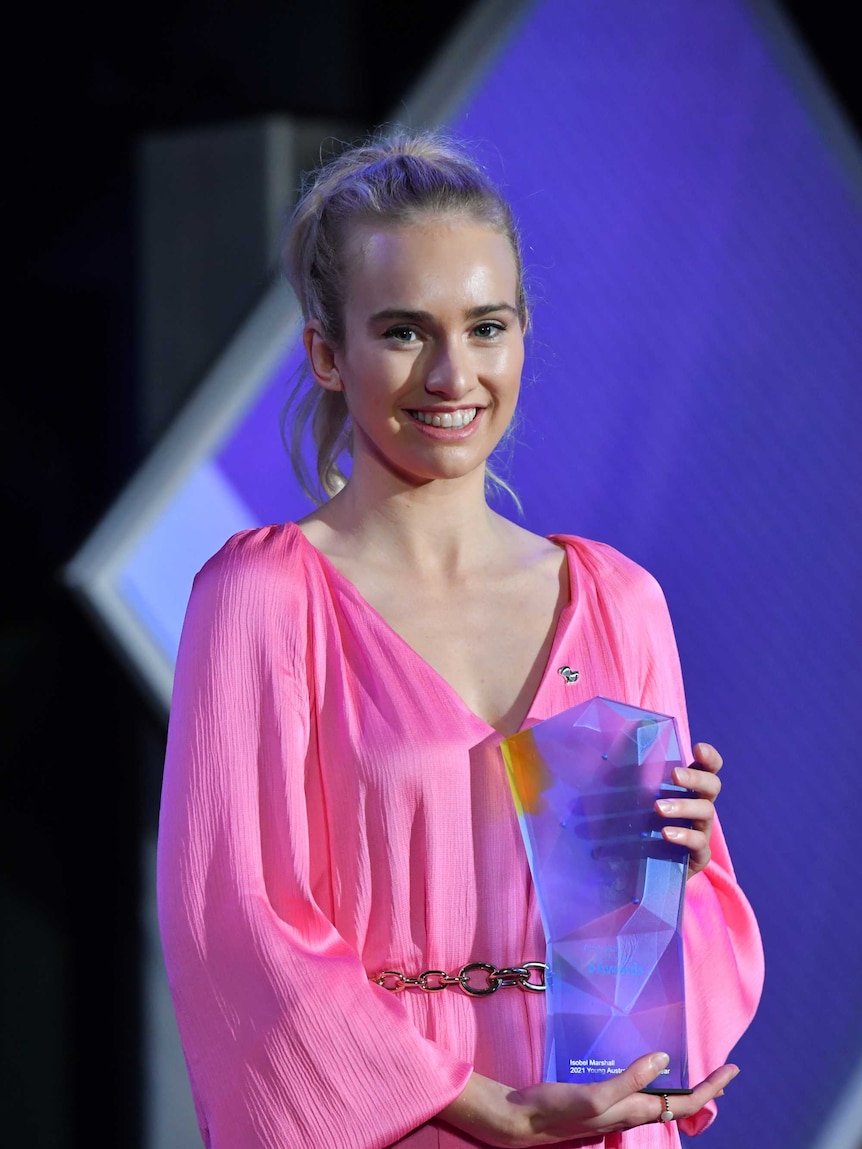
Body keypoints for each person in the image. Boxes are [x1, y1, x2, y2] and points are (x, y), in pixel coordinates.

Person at [156, 127, 764, 1148]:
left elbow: (649, 964)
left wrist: (680, 874)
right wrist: (484, 1109)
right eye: (403, 331)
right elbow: (236, 928)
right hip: (397, 1128)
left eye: (486, 327)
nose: (452, 374)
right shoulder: (264, 598)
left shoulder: (616, 599)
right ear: (326, 353)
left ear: (523, 335)